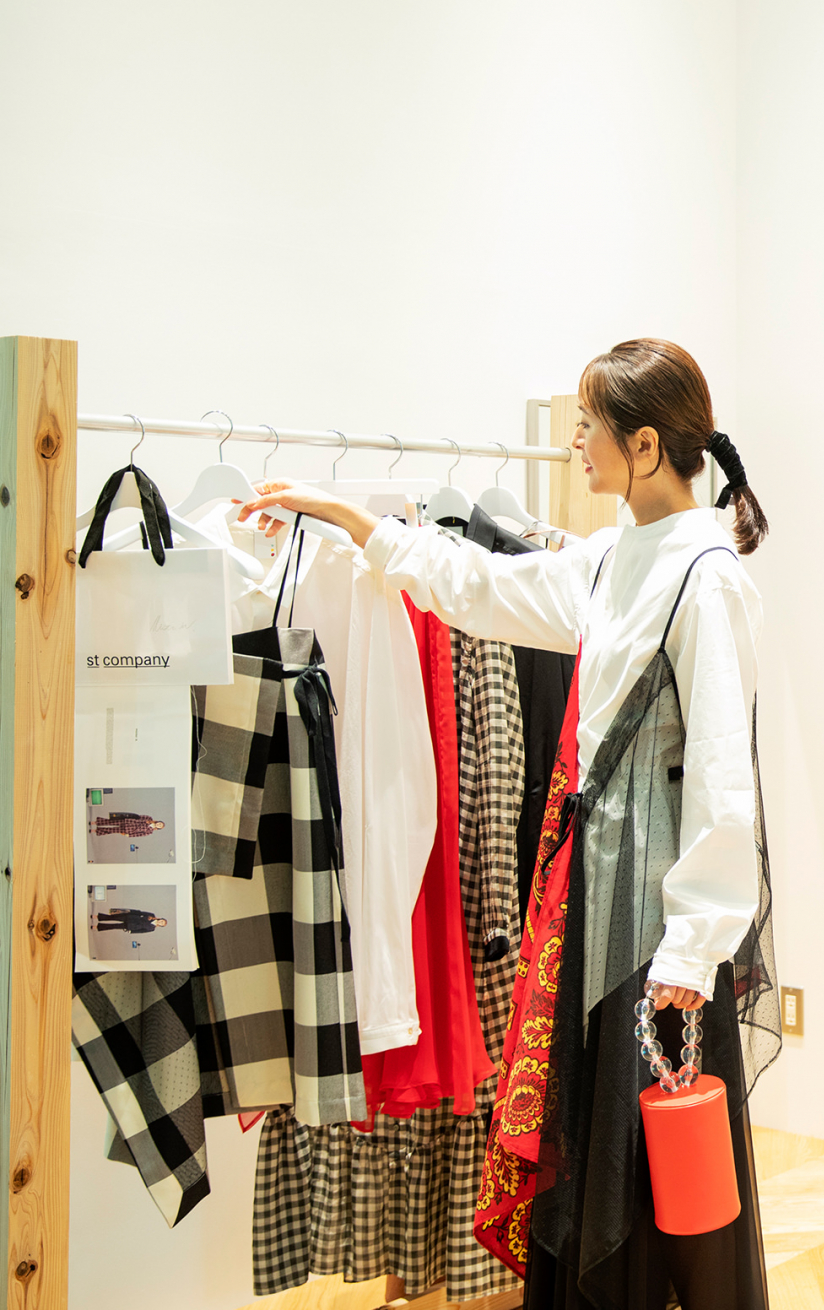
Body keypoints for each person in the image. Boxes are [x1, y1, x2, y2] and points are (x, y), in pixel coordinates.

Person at [238, 338, 775, 1310]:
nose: (574, 441)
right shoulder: (612, 557)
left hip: (650, 923)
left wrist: (694, 950)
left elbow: (720, 774)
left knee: (642, 1167)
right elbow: (483, 588)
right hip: (590, 897)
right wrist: (352, 520)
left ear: (644, 446)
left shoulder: (707, 575)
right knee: (603, 1152)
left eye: (589, 425)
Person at [95, 908, 168, 934]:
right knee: (113, 917)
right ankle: (97, 917)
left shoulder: (152, 929)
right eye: (162, 921)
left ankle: (97, 927)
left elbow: (141, 931)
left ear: (160, 926)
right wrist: (131, 911)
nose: (161, 922)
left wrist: (131, 931)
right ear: (161, 919)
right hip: (131, 918)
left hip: (131, 926)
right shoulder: (152, 915)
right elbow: (140, 912)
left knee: (114, 926)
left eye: (162, 924)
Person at [92, 812, 167, 838]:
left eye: (160, 826)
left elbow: (139, 835)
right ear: (158, 821)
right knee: (111, 822)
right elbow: (138, 816)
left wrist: (129, 835)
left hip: (129, 830)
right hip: (129, 822)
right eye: (160, 823)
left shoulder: (150, 832)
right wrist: (128, 817)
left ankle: (96, 831)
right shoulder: (149, 818)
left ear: (158, 828)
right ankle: (96, 822)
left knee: (112, 830)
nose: (159, 825)